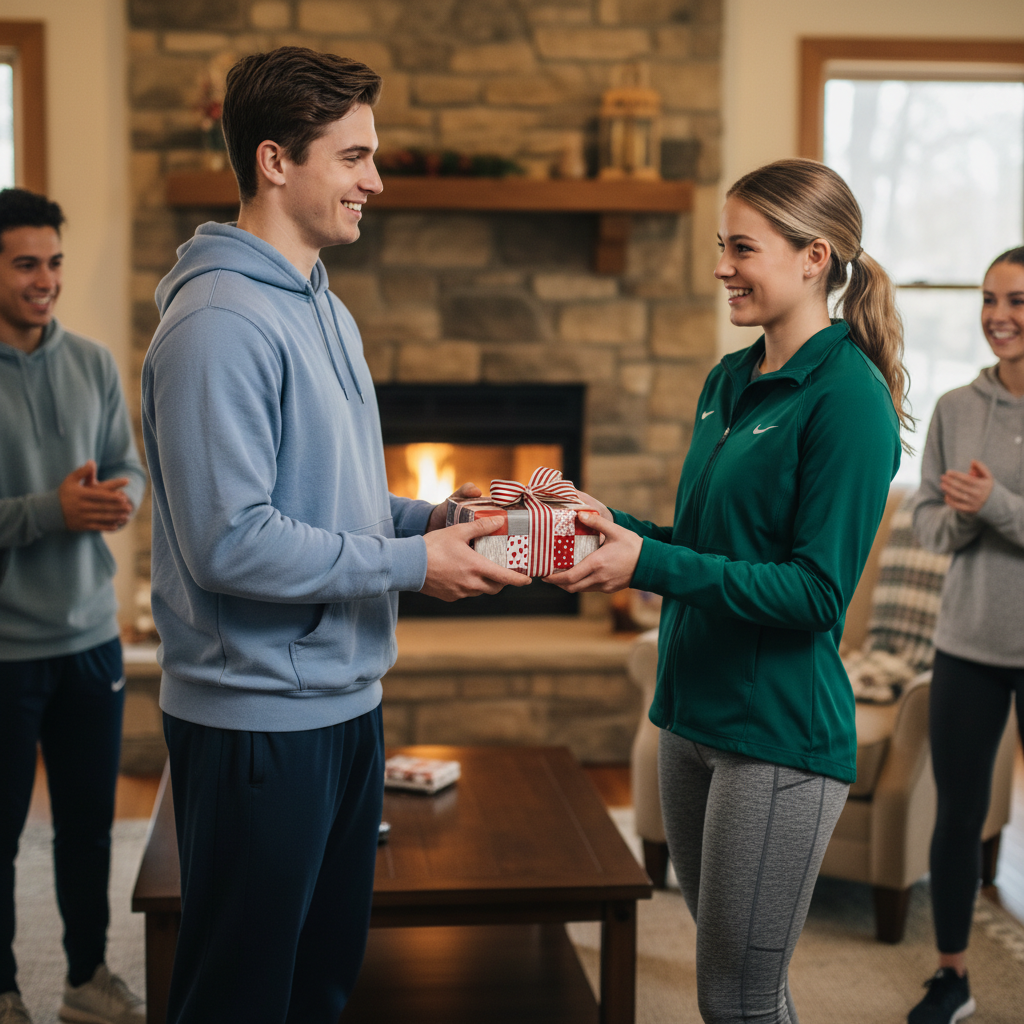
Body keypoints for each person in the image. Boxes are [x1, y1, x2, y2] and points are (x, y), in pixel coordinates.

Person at [142, 47, 527, 1024]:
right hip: (255, 720)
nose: (376, 181)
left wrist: (438, 520)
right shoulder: (218, 324)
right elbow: (229, 543)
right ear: (276, 161)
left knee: (318, 983)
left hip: (344, 704)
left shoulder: (325, 308)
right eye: (354, 156)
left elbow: (334, 503)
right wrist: (410, 564)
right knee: (239, 995)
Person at [548, 159, 908, 1024]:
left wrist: (646, 564)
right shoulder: (726, 381)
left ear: (815, 256)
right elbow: (712, 548)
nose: (721, 268)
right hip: (689, 718)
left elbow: (816, 593)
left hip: (777, 737)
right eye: (721, 245)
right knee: (742, 983)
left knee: (735, 999)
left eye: (742, 248)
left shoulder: (846, 398)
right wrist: (616, 527)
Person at [0, 189, 147, 1024]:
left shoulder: (91, 361)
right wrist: (49, 512)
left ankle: (87, 977)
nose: (46, 279)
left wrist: (118, 497)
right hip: (5, 650)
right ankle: (2, 987)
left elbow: (129, 464)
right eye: (26, 263)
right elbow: (45, 508)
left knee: (88, 828)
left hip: (91, 637)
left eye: (53, 262)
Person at [908, 246, 1024, 1024]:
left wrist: (995, 506)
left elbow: (992, 512)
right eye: (989, 299)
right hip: (968, 646)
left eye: (1015, 301)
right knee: (957, 814)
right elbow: (925, 524)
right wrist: (958, 513)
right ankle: (952, 976)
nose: (997, 316)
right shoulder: (954, 407)